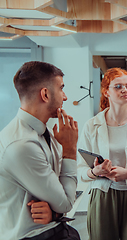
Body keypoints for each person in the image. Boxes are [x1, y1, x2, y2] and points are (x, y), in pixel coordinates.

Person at [0, 61, 79, 240]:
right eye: (61, 88)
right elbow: (65, 203)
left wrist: (55, 213)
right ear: (45, 94)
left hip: (55, 227)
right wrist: (70, 150)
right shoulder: (22, 144)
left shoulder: (45, 131)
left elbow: (59, 194)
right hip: (35, 236)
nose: (65, 97)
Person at [77, 68, 127, 240]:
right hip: (102, 195)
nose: (125, 90)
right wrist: (94, 172)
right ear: (106, 91)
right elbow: (80, 171)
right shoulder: (92, 125)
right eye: (118, 86)